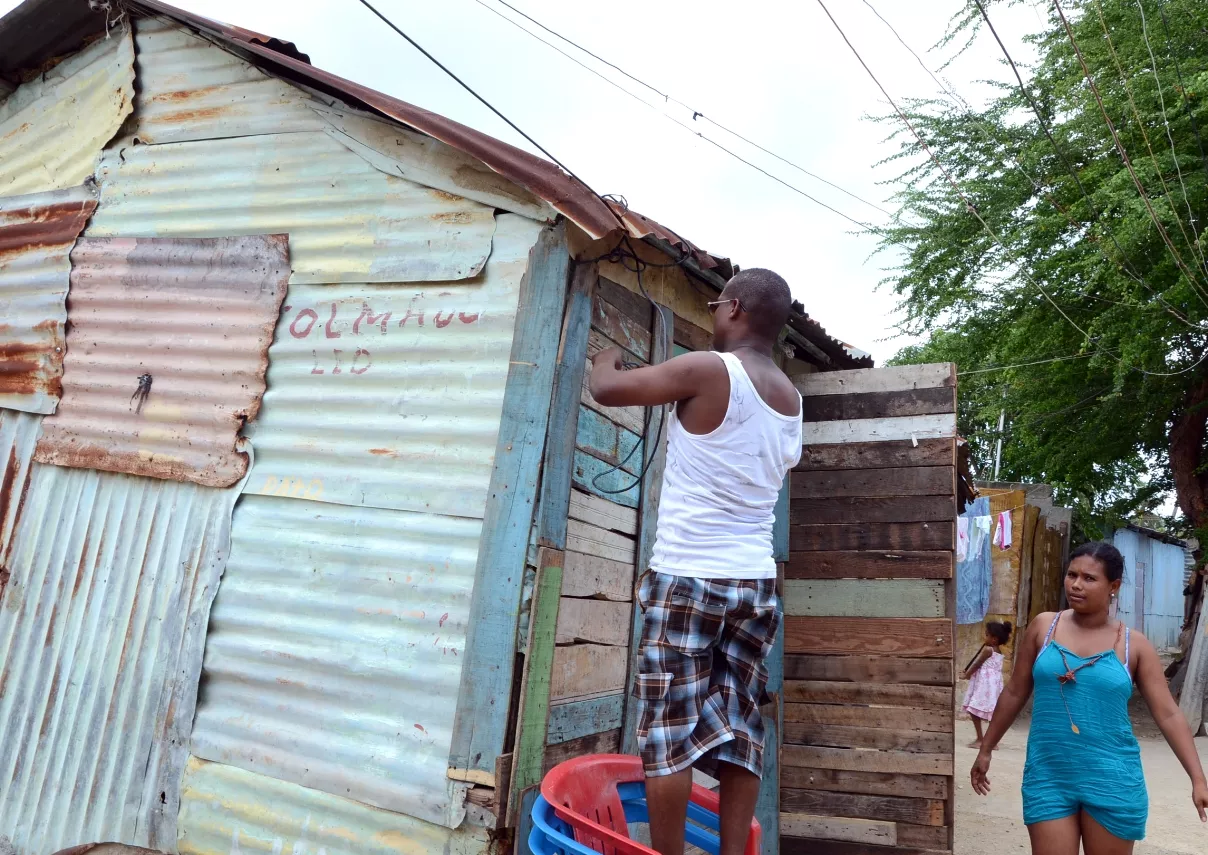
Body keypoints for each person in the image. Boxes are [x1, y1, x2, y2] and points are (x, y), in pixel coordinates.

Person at [588, 268, 801, 855]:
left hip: (687, 578)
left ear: (732, 308)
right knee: (741, 725)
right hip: (754, 584)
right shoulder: (790, 396)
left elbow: (607, 390)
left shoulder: (711, 369)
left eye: (714, 305)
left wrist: (606, 357)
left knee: (668, 732)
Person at [970, 541, 1208, 854]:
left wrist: (1198, 778)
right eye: (1072, 575)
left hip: (1113, 779)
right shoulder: (1044, 627)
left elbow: (1168, 714)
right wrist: (986, 747)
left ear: (1114, 586)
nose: (1076, 584)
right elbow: (1015, 690)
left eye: (1089, 578)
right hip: (1049, 774)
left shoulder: (1133, 645)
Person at [962, 620, 1012, 748]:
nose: (985, 637)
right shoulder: (998, 651)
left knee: (973, 710)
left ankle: (980, 739)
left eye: (987, 635)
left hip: (984, 684)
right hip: (994, 685)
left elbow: (976, 664)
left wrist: (966, 675)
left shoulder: (988, 650)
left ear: (994, 639)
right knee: (992, 713)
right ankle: (992, 742)